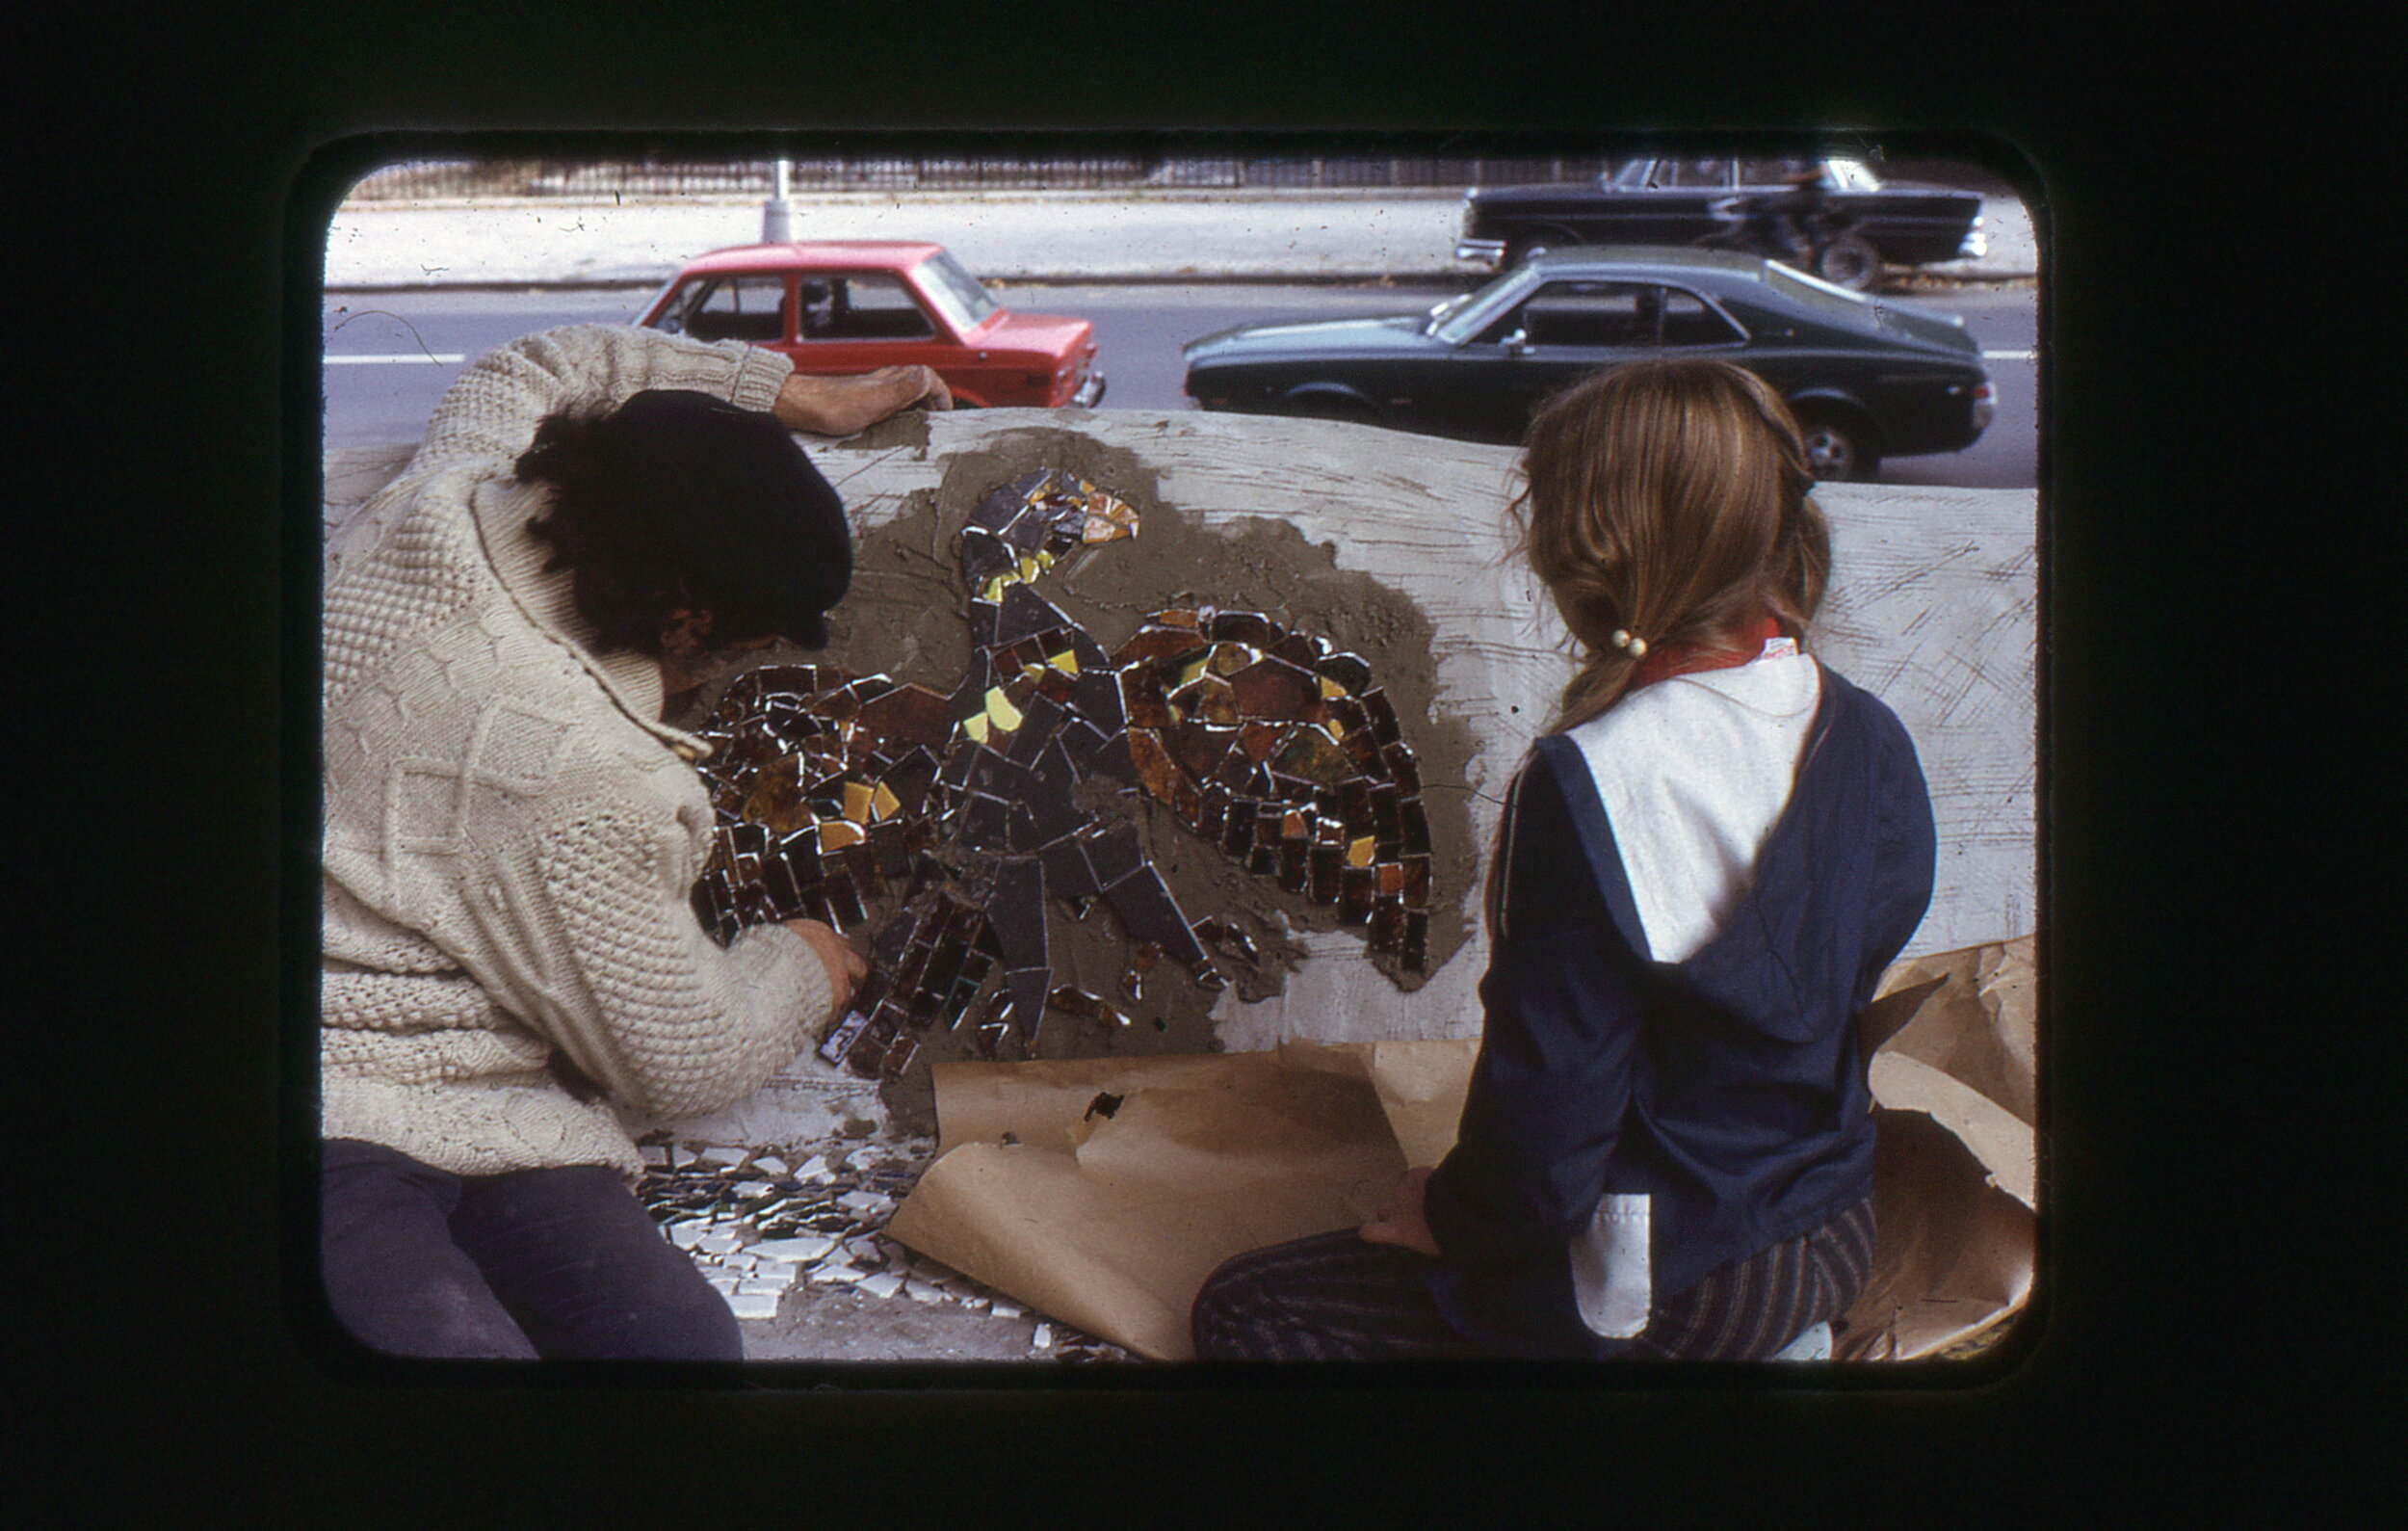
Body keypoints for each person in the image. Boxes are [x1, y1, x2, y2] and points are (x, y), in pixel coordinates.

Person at [1190, 356, 1935, 1361]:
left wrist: (1450, 1216)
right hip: (1829, 1228)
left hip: (1665, 1285)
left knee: (1246, 1305)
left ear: (1585, 556)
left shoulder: (1590, 780)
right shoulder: (1862, 726)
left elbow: (1546, 1139)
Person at [318, 324, 950, 1361]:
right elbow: (682, 1054)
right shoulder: (583, 769)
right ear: (686, 621)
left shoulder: (445, 497)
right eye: (748, 643)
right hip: (327, 1112)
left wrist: (791, 393)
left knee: (671, 1347)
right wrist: (802, 962)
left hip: (502, 1125)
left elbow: (541, 363)